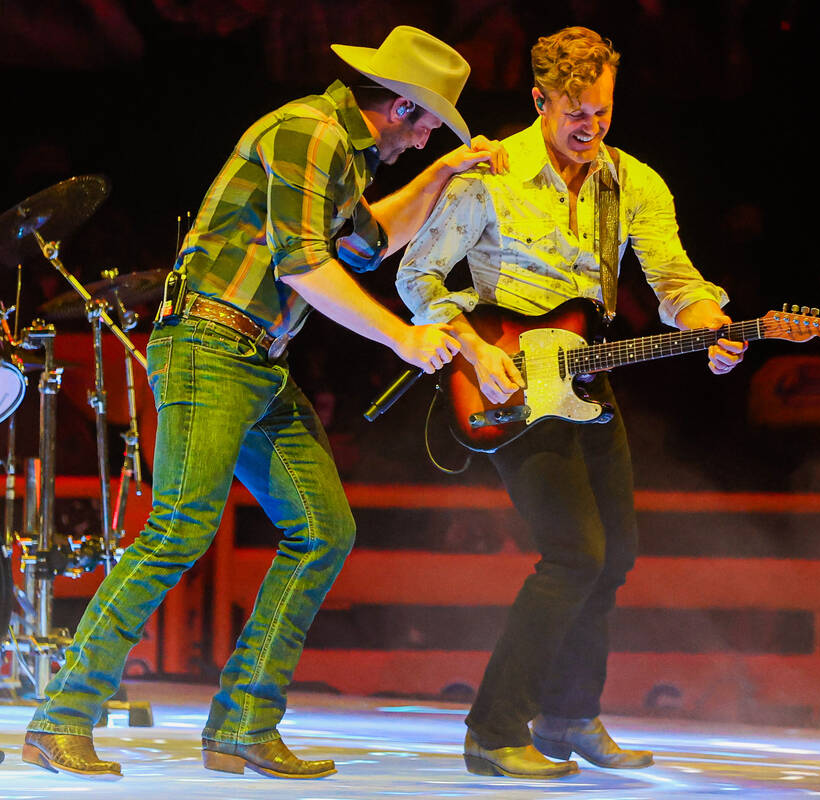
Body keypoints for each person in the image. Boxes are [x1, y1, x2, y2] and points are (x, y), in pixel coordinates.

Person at [23, 25, 506, 780]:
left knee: (322, 530)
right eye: (428, 128)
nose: (421, 144)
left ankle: (244, 723)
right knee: (180, 528)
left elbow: (370, 242)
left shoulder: (343, 156)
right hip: (210, 344)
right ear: (401, 108)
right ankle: (61, 720)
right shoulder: (307, 132)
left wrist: (445, 171)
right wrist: (403, 337)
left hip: (256, 359)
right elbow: (307, 266)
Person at [397, 26, 746, 779]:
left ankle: (567, 717)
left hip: (586, 375)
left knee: (614, 553)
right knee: (574, 552)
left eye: (603, 112)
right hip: (506, 380)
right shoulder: (488, 175)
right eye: (575, 112)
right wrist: (474, 348)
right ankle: (494, 730)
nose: (591, 127)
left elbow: (674, 280)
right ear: (540, 99)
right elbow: (416, 279)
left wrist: (710, 324)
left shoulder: (635, 182)